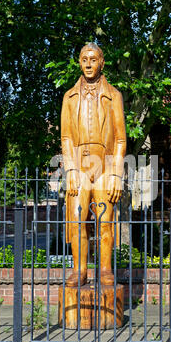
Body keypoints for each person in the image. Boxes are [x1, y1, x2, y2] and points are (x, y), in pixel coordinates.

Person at [61, 43, 126, 286]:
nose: (88, 64)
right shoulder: (69, 97)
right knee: (78, 221)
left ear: (102, 63)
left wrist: (116, 173)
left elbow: (120, 138)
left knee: (105, 220)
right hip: (78, 165)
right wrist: (69, 169)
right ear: (79, 62)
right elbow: (66, 137)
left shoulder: (114, 95)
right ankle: (79, 269)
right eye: (83, 59)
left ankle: (106, 269)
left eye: (93, 59)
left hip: (105, 166)